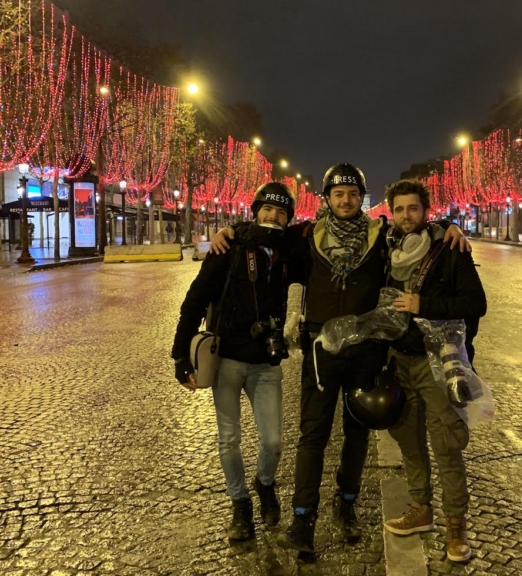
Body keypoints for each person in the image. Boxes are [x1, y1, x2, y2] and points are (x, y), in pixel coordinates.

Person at [210, 163, 469, 554]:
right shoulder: (306, 236)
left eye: (352, 194)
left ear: (361, 198)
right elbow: (266, 233)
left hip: (366, 350)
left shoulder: (380, 236)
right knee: (312, 435)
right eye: (338, 194)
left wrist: (449, 225)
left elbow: (416, 228)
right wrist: (231, 230)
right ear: (327, 198)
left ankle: (346, 504)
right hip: (321, 352)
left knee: (357, 433)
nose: (346, 200)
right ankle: (303, 520)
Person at [171, 182, 298, 542]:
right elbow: (195, 300)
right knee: (229, 440)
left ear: (288, 218)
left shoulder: (289, 251)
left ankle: (265, 484)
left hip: (266, 362)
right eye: (267, 209)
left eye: (281, 212)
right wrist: (180, 355)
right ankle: (240, 503)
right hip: (226, 359)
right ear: (255, 211)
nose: (273, 216)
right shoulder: (228, 246)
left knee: (273, 441)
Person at [378, 179, 486, 563]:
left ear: (426, 211)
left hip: (436, 361)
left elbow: (476, 303)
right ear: (392, 213)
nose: (406, 215)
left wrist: (422, 304)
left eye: (413, 208)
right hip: (399, 360)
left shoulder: (449, 249)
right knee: (409, 441)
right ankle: (420, 509)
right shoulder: (386, 249)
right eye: (399, 209)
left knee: (447, 445)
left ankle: (456, 526)